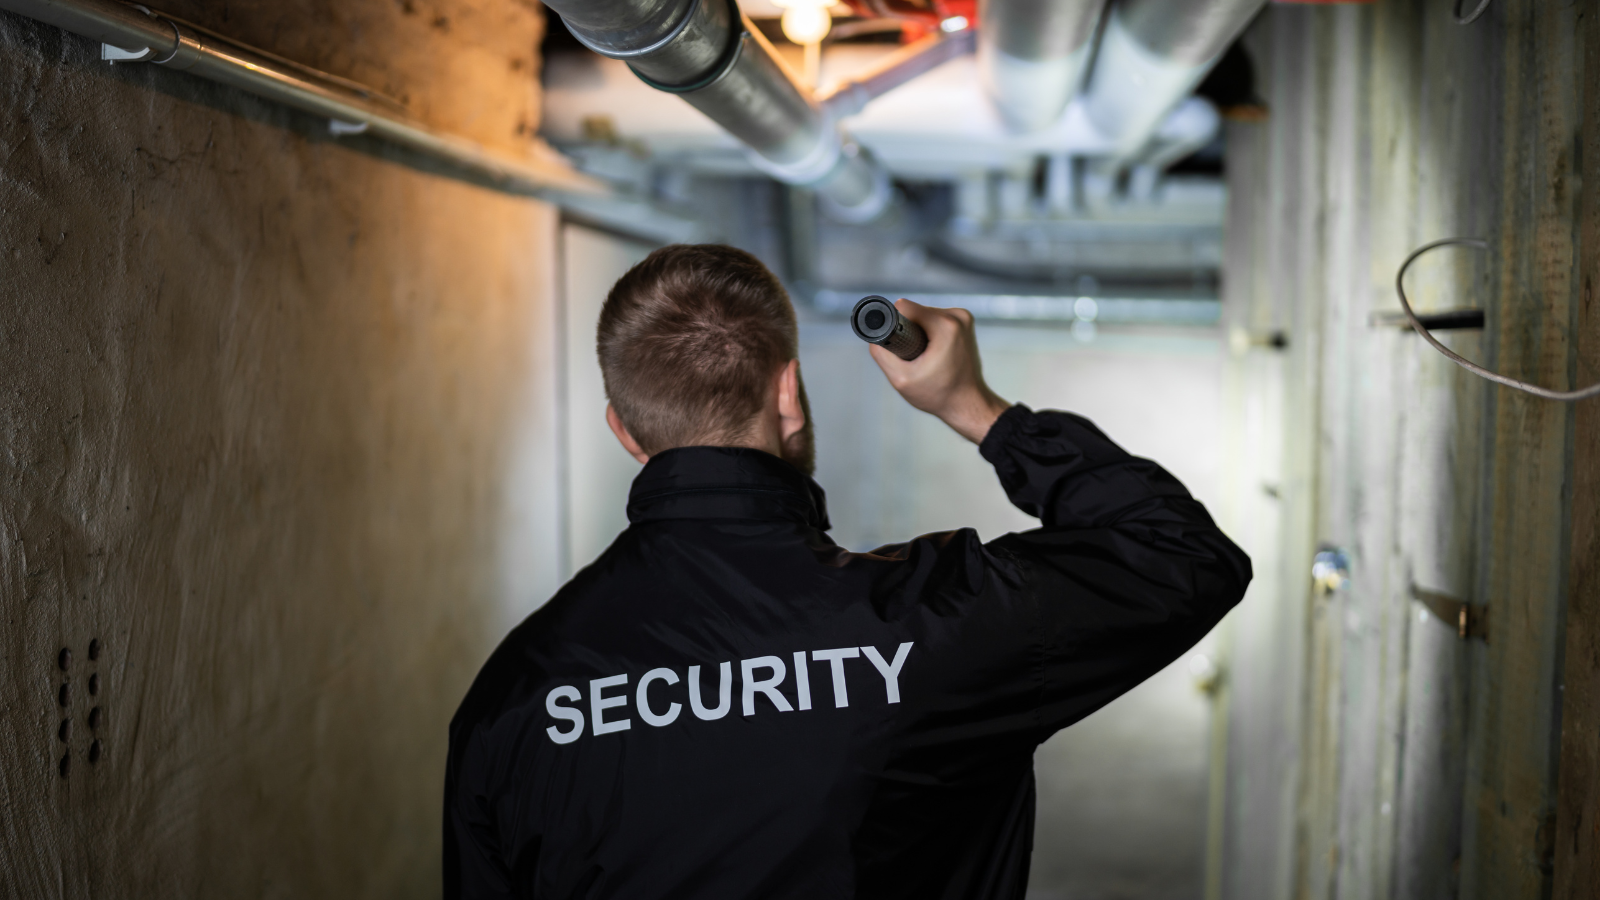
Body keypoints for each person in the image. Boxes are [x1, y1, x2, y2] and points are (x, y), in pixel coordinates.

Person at [443, 244, 1251, 899]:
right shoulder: (936, 623)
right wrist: (974, 406)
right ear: (788, 396)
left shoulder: (510, 698)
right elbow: (1184, 556)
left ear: (624, 429)